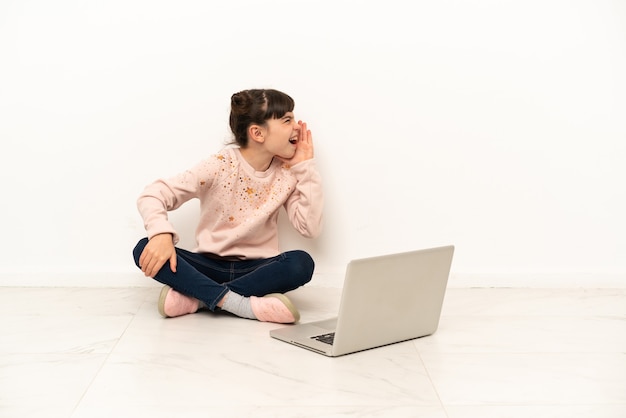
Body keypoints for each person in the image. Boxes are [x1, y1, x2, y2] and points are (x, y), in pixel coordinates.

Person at [132, 89, 323, 324]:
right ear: (257, 133)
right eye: (287, 120)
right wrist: (160, 233)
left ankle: (198, 298)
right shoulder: (220, 165)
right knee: (143, 248)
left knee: (301, 263)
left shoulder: (287, 174)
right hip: (208, 265)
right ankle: (241, 305)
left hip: (257, 269)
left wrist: (305, 167)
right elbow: (153, 194)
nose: (297, 127)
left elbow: (309, 228)